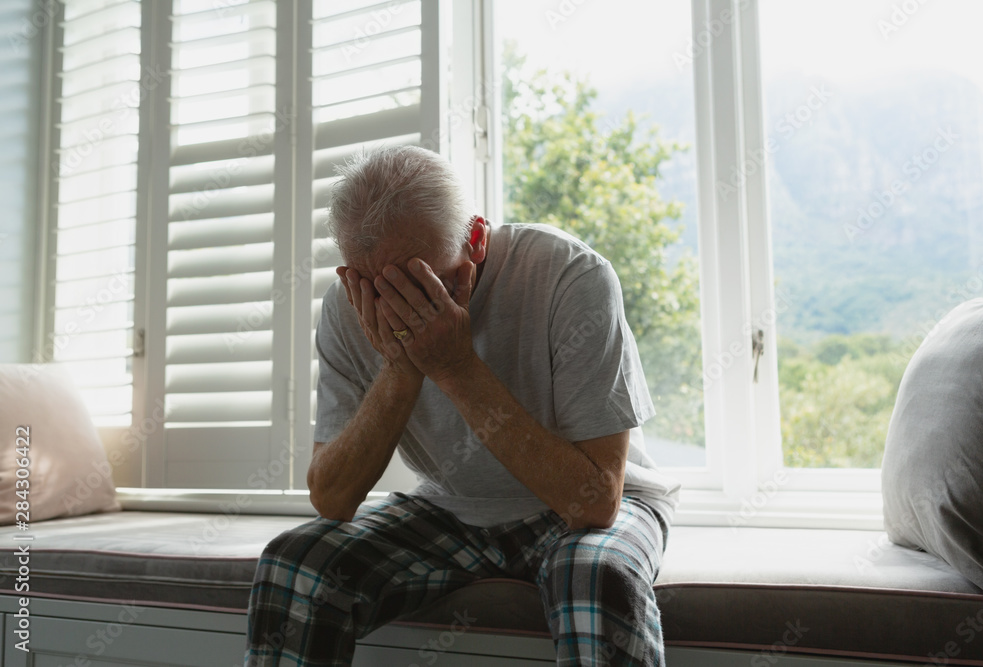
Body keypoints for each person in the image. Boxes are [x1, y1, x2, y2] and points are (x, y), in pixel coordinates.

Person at [244, 145, 680, 666]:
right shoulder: (348, 308)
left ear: (475, 239)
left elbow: (595, 501)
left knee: (592, 576)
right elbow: (332, 498)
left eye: (423, 284)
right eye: (380, 290)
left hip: (594, 506)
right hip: (452, 507)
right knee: (295, 564)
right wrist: (401, 368)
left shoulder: (570, 274)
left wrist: (455, 367)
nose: (402, 309)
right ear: (351, 273)